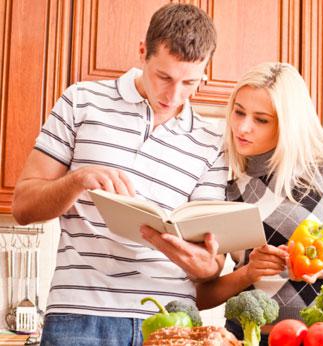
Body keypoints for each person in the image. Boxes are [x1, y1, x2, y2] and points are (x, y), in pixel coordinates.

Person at [12, 4, 227, 345]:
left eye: (190, 82)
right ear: (143, 51)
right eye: (164, 77)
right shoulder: (81, 101)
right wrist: (78, 179)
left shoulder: (213, 141)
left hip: (173, 321)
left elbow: (210, 267)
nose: (174, 96)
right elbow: (22, 207)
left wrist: (191, 257)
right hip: (80, 315)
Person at [142, 62, 323, 345]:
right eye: (238, 112)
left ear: (287, 123)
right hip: (246, 338)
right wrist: (248, 273)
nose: (243, 127)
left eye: (261, 119)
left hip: (321, 337)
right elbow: (202, 296)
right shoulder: (222, 176)